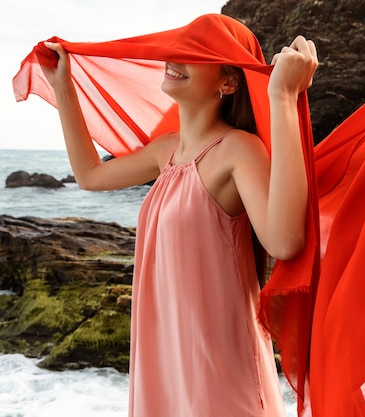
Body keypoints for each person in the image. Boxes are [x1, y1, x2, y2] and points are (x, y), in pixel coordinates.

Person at [39, 17, 318, 417]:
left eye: (196, 53)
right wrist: (62, 86)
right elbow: (89, 175)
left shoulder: (239, 149)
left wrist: (283, 98)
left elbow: (284, 241)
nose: (174, 57)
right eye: (177, 48)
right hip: (164, 357)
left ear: (229, 82)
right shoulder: (165, 151)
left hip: (217, 362)